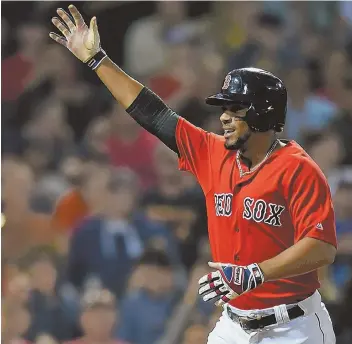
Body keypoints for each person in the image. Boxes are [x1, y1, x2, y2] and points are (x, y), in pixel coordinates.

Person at [50, 5, 337, 343]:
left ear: (264, 114)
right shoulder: (212, 152)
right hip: (234, 323)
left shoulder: (298, 169)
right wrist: (98, 60)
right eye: (224, 109)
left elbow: (322, 247)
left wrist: (257, 273)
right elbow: (153, 114)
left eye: (235, 109)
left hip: (294, 325)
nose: (224, 117)